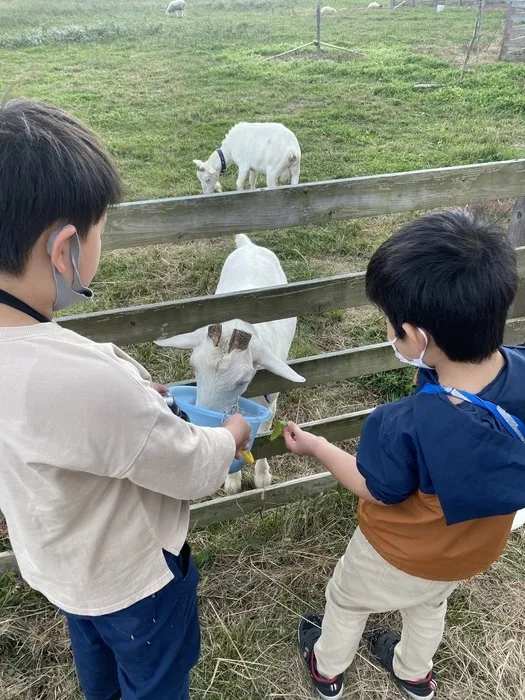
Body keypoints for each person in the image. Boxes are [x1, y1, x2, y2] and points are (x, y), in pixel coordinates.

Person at [0, 98, 251, 700]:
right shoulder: (87, 378)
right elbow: (190, 469)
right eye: (99, 234)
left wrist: (136, 402)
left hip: (61, 570)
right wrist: (233, 436)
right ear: (64, 250)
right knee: (155, 680)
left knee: (98, 670)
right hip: (134, 581)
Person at [284, 210, 525, 700]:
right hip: (469, 551)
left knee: (347, 602)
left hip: (396, 551)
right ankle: (414, 674)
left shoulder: (402, 424)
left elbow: (376, 488)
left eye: (392, 326)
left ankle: (327, 669)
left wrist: (319, 446)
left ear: (415, 337)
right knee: (430, 607)